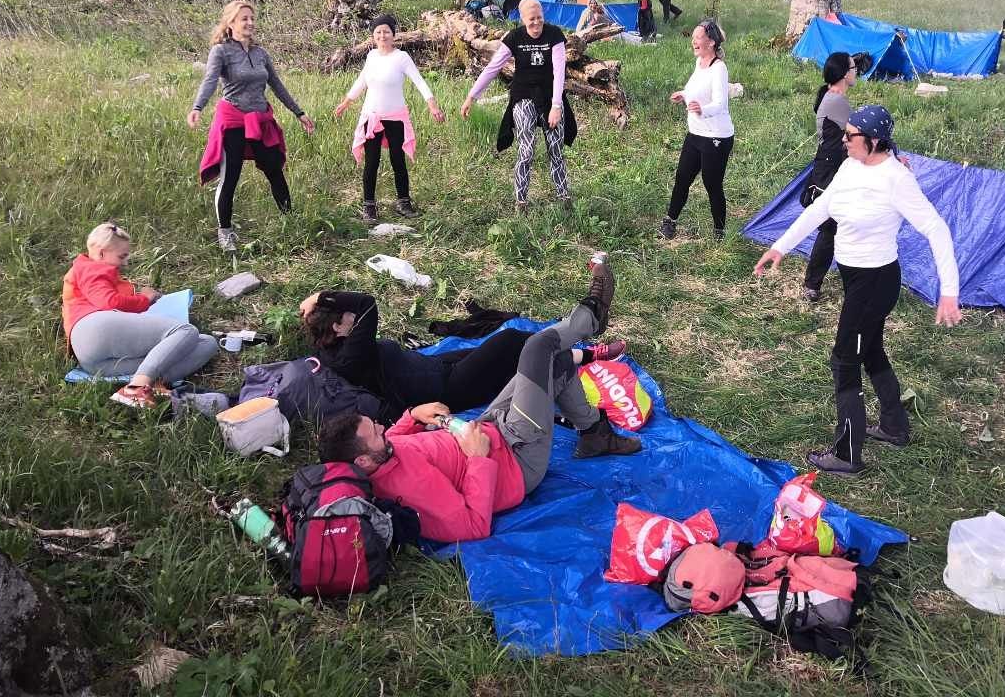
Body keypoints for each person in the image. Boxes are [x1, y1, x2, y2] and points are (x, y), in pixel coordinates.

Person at [316, 254, 641, 542]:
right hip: (518, 458)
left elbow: (398, 437)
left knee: (554, 360)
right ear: (363, 462)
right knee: (537, 348)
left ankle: (594, 434)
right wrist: (476, 459)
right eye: (375, 432)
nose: (381, 428)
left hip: (490, 428)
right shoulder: (407, 489)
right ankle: (592, 316)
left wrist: (412, 416)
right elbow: (473, 525)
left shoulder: (380, 452)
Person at [753, 105, 962, 475]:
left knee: (845, 359)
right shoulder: (851, 166)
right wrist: (780, 247)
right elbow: (821, 208)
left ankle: (848, 454)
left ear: (875, 141)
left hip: (876, 282)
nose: (844, 141)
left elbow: (937, 229)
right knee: (871, 349)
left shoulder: (896, 179)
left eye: (851, 136)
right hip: (854, 278)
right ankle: (895, 427)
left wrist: (949, 290)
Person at [299, 289, 627, 420]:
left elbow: (348, 314)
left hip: (434, 367)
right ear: (338, 328)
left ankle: (585, 355)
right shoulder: (352, 353)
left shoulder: (330, 348)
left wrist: (314, 310)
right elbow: (366, 302)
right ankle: (582, 330)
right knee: (510, 341)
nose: (353, 317)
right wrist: (322, 297)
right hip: (447, 388)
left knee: (503, 355)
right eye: (346, 317)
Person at [189, 0, 316, 252]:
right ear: (231, 23)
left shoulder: (260, 54)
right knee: (230, 177)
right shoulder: (221, 51)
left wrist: (298, 112)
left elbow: (276, 85)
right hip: (233, 120)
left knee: (274, 170)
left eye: (252, 18)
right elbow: (210, 81)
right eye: (244, 18)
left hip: (260, 120)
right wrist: (197, 107)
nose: (250, 23)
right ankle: (225, 233)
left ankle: (290, 221)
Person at [62, 223, 218, 408]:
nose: (125, 263)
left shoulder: (87, 271)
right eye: (121, 256)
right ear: (101, 253)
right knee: (186, 331)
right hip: (94, 328)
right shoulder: (91, 268)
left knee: (207, 343)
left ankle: (150, 383)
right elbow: (109, 301)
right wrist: (144, 299)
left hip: (95, 363)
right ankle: (137, 387)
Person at [460, 0, 577, 212]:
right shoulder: (514, 38)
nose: (536, 23)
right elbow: (493, 68)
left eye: (539, 18)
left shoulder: (554, 35)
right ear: (523, 19)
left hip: (550, 96)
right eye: (531, 19)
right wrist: (471, 96)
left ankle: (563, 196)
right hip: (523, 95)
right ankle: (521, 201)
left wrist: (556, 106)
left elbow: (559, 70)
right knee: (526, 149)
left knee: (555, 148)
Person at [334, 14, 446, 223]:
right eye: (378, 32)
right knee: (371, 162)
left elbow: (420, 82)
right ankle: (369, 206)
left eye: (386, 31)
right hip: (372, 117)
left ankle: (403, 202)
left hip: (395, 118)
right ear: (373, 35)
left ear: (393, 35)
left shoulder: (401, 58)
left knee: (398, 160)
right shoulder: (371, 56)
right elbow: (361, 81)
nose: (382, 35)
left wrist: (432, 105)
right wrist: (346, 102)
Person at [660, 19, 734, 240]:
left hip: (716, 137)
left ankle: (719, 230)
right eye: (693, 37)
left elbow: (720, 103)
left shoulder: (719, 68)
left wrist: (703, 109)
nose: (693, 41)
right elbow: (698, 89)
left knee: (712, 184)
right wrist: (683, 94)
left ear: (711, 42)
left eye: (698, 37)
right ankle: (670, 221)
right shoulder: (699, 62)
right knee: (682, 178)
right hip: (695, 134)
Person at [801, 52, 861, 301]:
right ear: (844, 74)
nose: (856, 72)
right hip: (830, 170)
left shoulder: (833, 96)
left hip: (833, 166)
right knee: (830, 228)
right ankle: (812, 284)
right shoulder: (836, 101)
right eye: (853, 68)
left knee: (839, 226)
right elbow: (860, 133)